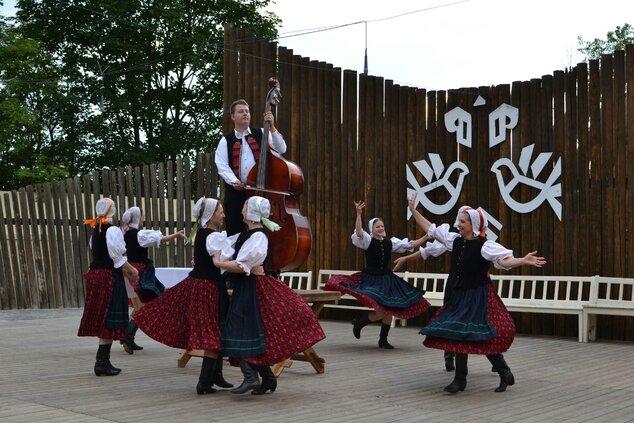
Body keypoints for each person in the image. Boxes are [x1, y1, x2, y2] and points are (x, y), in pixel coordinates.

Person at [398, 193, 546, 393]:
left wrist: (521, 260)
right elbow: (430, 228)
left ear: (473, 225)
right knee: (461, 334)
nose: (459, 224)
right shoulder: (454, 240)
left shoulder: (485, 246)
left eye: (463, 222)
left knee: (471, 335)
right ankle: (492, 373)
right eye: (459, 221)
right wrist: (413, 210)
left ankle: (480, 375)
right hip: (459, 295)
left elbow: (503, 261)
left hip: (477, 296)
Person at [211, 196, 325, 395]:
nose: (241, 209)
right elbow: (228, 252)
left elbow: (241, 264)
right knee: (250, 328)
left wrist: (220, 264)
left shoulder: (258, 237)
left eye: (245, 205)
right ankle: (268, 379)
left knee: (242, 328)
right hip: (246, 286)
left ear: (252, 212)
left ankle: (250, 377)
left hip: (253, 288)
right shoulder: (244, 235)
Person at [131, 197, 233, 394]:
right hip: (208, 287)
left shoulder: (205, 234)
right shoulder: (212, 236)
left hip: (202, 285)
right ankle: (204, 383)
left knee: (216, 328)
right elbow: (221, 261)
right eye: (220, 211)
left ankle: (216, 377)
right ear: (211, 215)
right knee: (213, 331)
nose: (223, 215)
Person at [324, 200, 431, 349]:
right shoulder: (368, 241)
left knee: (390, 308)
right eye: (377, 226)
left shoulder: (390, 243)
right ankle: (361, 321)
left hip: (386, 279)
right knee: (382, 310)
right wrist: (359, 214)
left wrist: (425, 238)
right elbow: (359, 232)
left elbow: (410, 245)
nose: (380, 228)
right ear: (372, 230)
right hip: (372, 279)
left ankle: (383, 339)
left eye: (382, 226)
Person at [78, 197, 139, 376]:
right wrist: (132, 270)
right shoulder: (112, 230)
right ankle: (101, 363)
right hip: (108, 276)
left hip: (96, 275)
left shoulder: (96, 230)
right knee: (108, 316)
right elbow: (116, 256)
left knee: (105, 316)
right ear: (111, 211)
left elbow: (98, 252)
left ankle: (103, 361)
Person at [119, 206, 187, 354]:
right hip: (138, 273)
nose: (144, 217)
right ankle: (127, 336)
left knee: (138, 307)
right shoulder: (140, 234)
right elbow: (160, 239)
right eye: (143, 215)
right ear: (138, 217)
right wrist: (176, 235)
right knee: (143, 308)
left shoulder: (123, 233)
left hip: (128, 272)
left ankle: (128, 339)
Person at [214, 99, 287, 235]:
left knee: (264, 231)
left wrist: (272, 127)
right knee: (235, 232)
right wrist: (233, 181)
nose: (245, 114)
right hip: (237, 193)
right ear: (232, 116)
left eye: (247, 111)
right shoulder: (226, 140)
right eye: (241, 111)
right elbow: (221, 164)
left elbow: (281, 148)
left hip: (262, 191)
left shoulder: (262, 133)